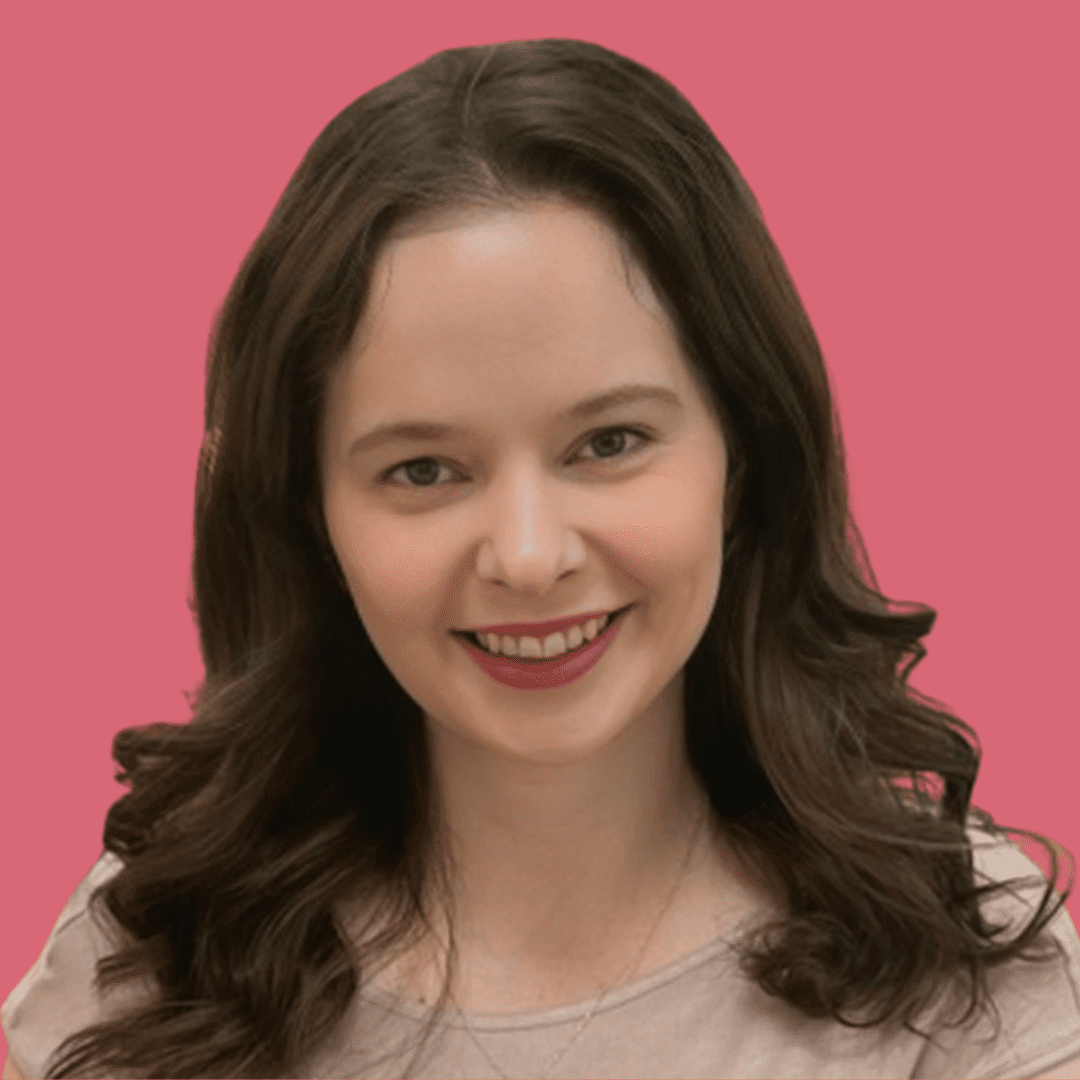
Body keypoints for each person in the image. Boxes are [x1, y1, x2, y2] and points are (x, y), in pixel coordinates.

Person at [3, 37, 1079, 1080]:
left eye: (608, 443)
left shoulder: (958, 966)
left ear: (741, 456)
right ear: (310, 512)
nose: (527, 556)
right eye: (423, 469)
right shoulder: (160, 948)